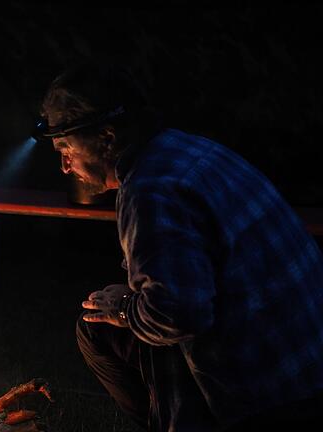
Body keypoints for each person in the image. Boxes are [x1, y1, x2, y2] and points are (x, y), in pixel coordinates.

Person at [37, 60, 323, 431]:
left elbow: (178, 316)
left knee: (125, 329)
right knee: (98, 328)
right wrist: (136, 301)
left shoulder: (151, 189)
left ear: (106, 138)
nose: (64, 166)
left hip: (271, 392)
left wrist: (126, 308)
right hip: (307, 358)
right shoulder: (187, 150)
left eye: (66, 149)